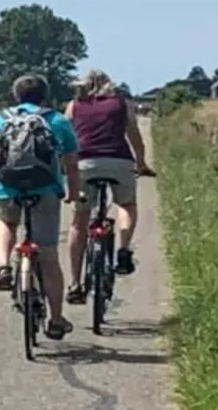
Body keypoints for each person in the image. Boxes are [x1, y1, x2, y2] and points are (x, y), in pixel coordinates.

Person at [0, 73, 82, 340]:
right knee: (48, 256)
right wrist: (71, 193)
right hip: (45, 190)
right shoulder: (56, 120)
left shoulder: (0, 120)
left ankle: (2, 265)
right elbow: (71, 162)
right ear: (45, 95)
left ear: (16, 95)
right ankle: (56, 320)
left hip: (7, 187)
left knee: (6, 222)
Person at [64, 70, 154, 303]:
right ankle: (123, 249)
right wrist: (142, 164)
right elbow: (135, 138)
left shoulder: (74, 106)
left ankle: (75, 283)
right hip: (119, 160)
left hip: (85, 163)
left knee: (79, 221)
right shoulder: (121, 104)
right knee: (127, 204)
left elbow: (65, 137)